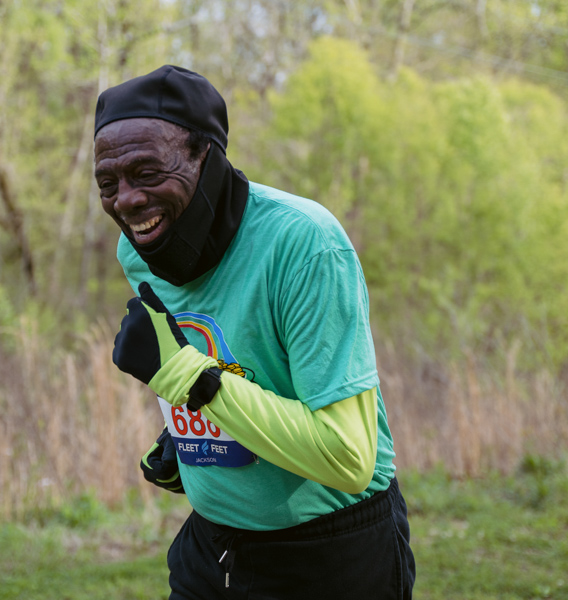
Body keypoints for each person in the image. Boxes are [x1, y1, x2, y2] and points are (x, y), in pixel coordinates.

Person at [94, 65, 415, 600]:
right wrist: (192, 436)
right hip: (210, 550)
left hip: (330, 557)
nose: (126, 200)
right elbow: (238, 359)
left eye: (147, 173)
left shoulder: (304, 245)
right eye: (109, 183)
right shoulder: (140, 249)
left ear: (207, 156)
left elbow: (348, 457)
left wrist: (185, 379)